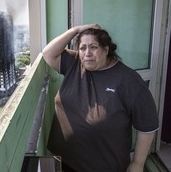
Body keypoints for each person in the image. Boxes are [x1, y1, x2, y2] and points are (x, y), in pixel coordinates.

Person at [42, 24, 159, 172]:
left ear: (106, 49)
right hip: (65, 158)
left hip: (103, 165)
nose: (87, 53)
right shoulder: (75, 64)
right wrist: (75, 30)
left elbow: (147, 126)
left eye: (93, 47)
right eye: (82, 47)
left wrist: (137, 163)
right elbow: (48, 53)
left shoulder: (128, 80)